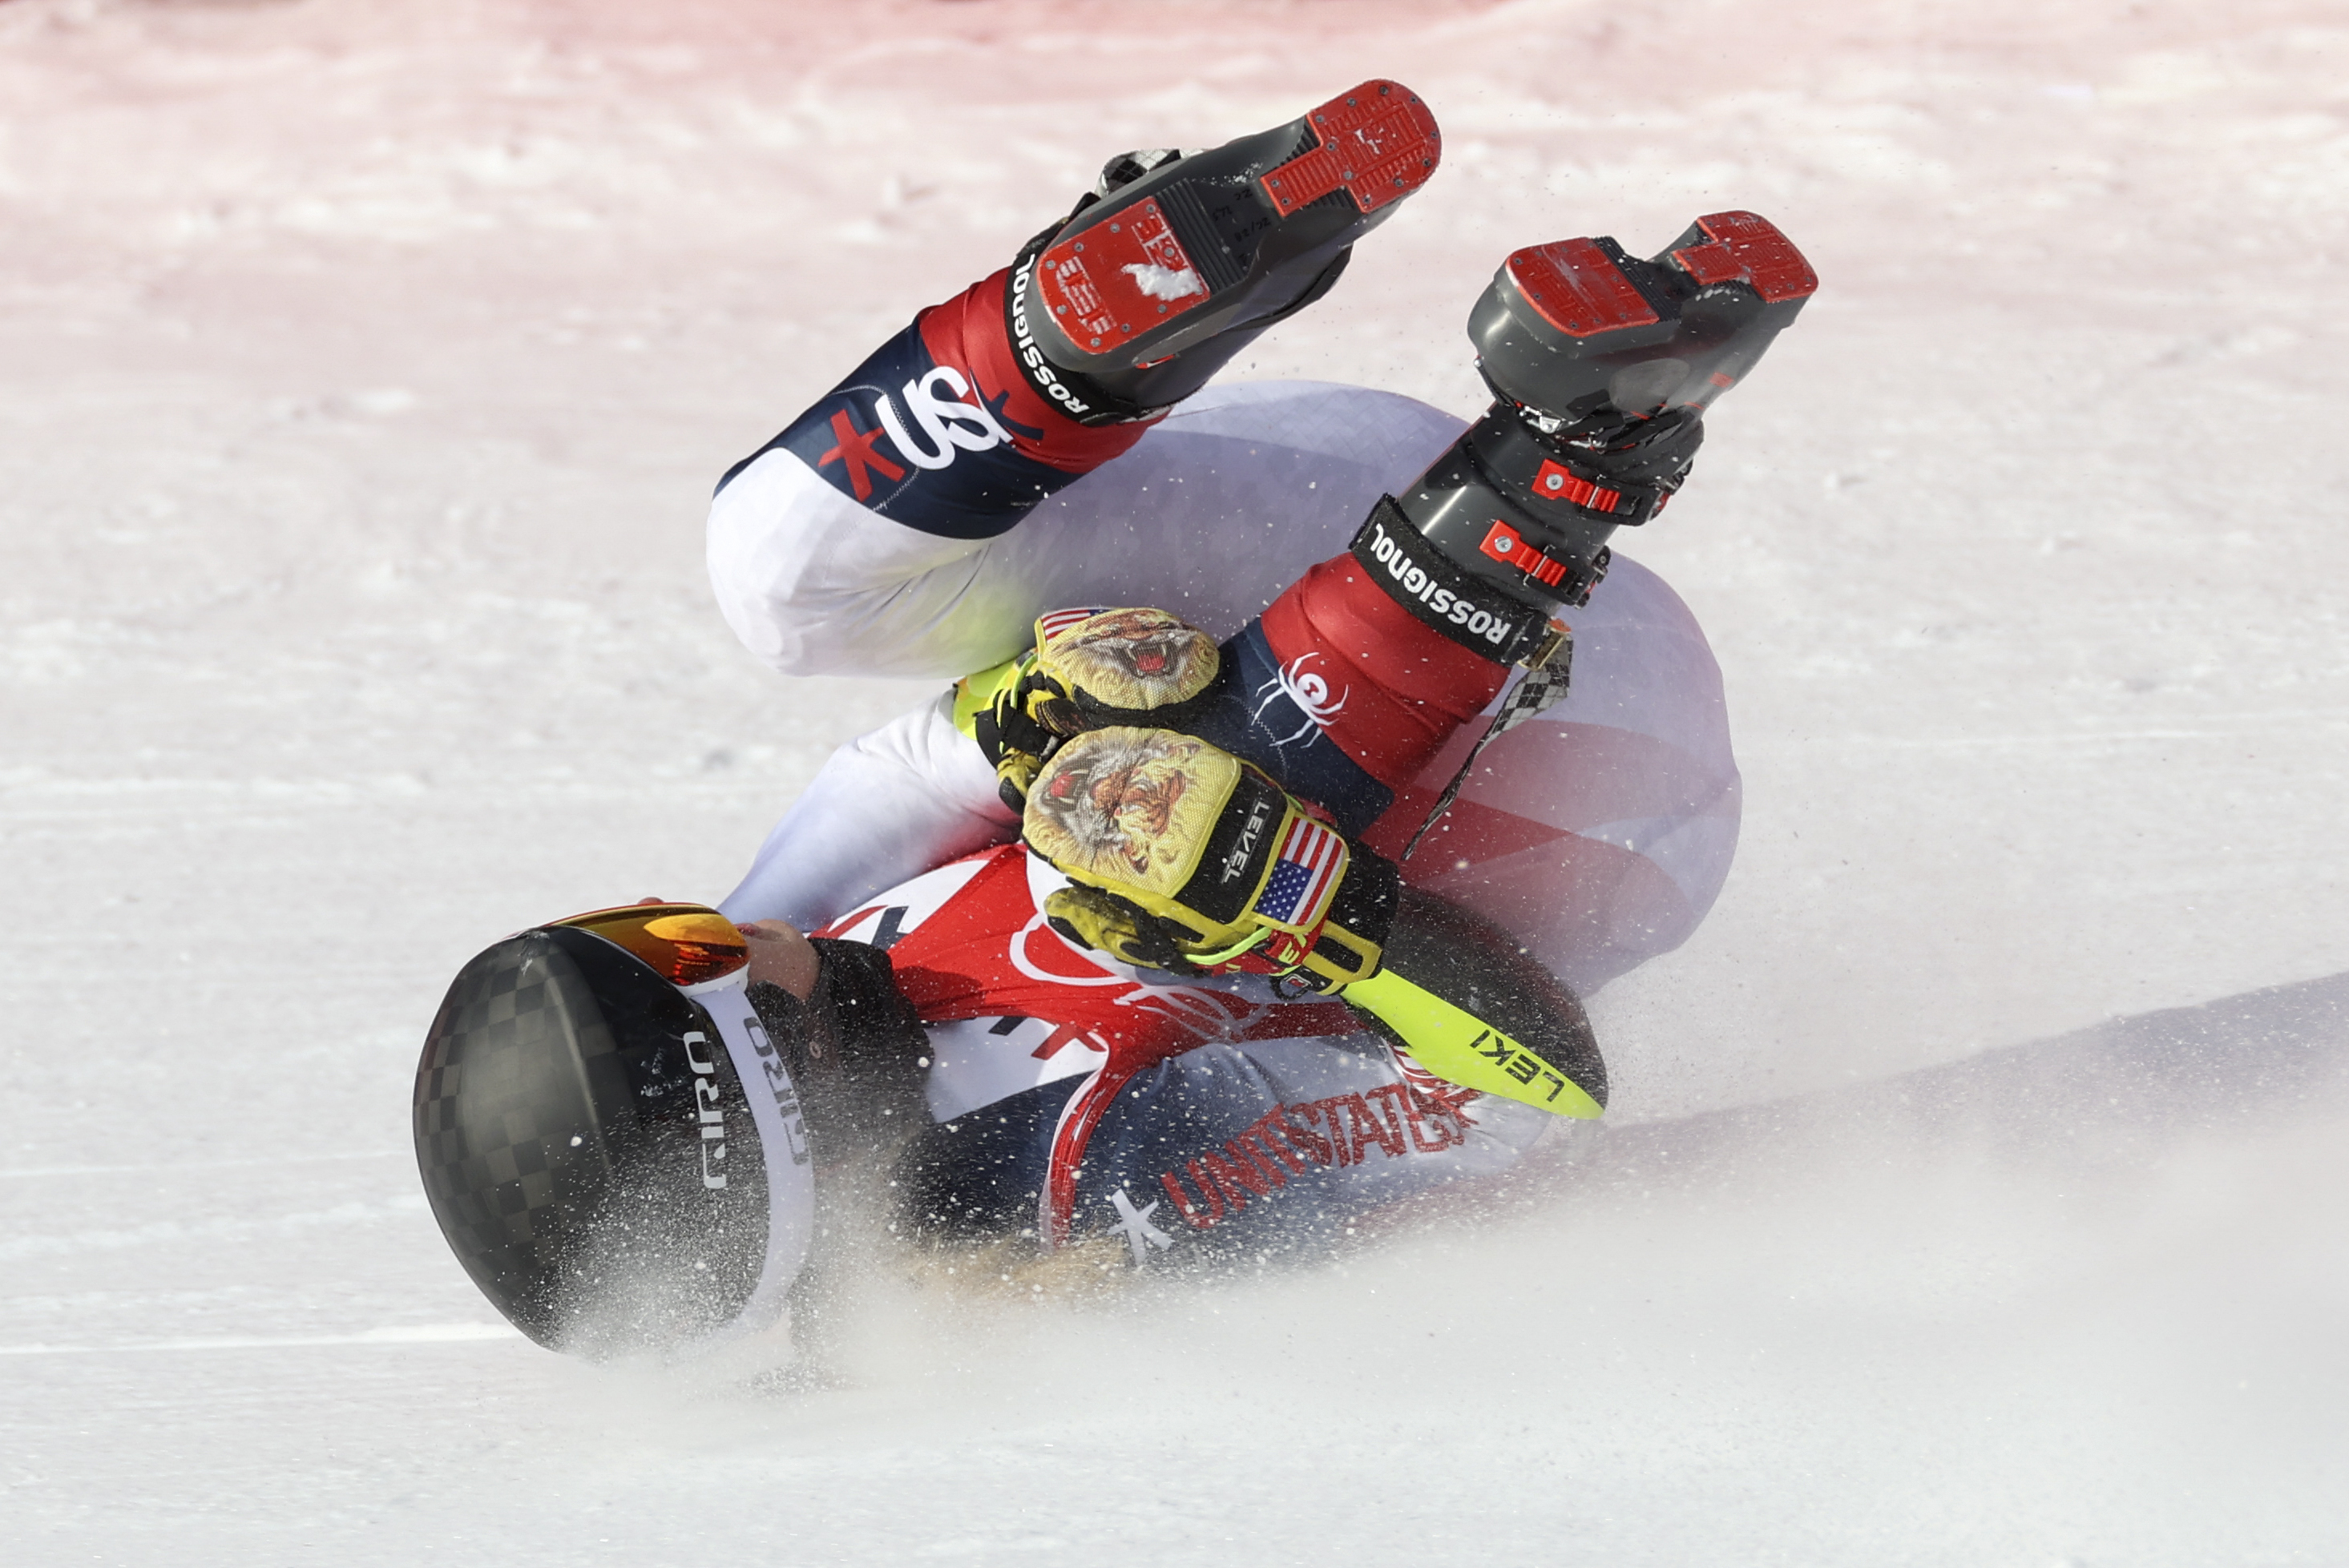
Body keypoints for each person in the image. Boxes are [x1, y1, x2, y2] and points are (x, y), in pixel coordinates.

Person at [412, 81, 1814, 1357]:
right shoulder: (1092, 1167)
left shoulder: (808, 978)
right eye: (683, 949)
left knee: (781, 578)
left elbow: (893, 773)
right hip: (1602, 778)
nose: (698, 913)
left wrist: (1018, 716)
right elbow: (1541, 1095)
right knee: (1159, 828)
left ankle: (1103, 314)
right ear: (762, 1107)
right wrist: (1314, 912)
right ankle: (1576, 446)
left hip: (1334, 499)